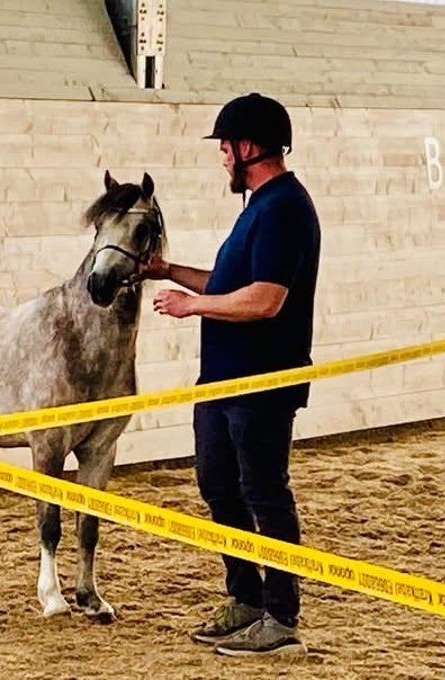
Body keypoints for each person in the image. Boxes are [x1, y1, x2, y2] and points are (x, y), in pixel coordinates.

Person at [138, 92, 321, 657]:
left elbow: (265, 300)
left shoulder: (286, 208)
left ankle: (282, 616)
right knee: (219, 487)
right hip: (222, 380)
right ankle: (245, 597)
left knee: (265, 493)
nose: (222, 156)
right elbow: (228, 282)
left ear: (251, 147)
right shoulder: (258, 209)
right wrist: (169, 271)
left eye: (226, 145)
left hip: (261, 382)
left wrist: (191, 307)